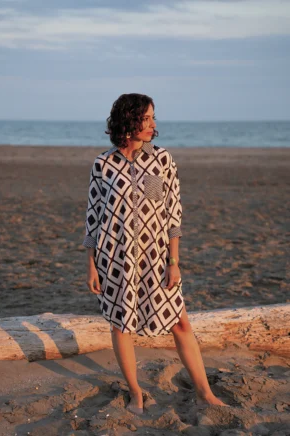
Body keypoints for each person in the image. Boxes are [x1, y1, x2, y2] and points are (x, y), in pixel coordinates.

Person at [83, 93, 227, 415]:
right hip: (115, 257)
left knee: (180, 322)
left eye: (153, 118)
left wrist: (173, 261)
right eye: (146, 119)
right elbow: (93, 217)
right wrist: (91, 265)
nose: (152, 125)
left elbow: (172, 215)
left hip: (156, 257)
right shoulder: (103, 165)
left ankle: (205, 392)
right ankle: (136, 393)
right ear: (129, 120)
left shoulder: (161, 159)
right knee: (122, 325)